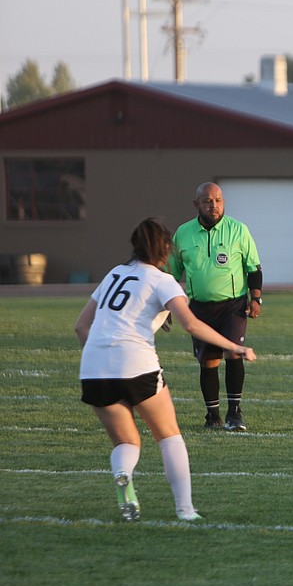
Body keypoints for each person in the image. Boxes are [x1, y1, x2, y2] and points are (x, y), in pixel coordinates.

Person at [75, 218, 257, 522]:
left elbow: (81, 326)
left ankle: (123, 472)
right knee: (169, 437)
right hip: (136, 363)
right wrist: (234, 346)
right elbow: (192, 324)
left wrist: (101, 356)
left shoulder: (114, 274)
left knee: (126, 441)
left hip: (93, 367)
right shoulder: (162, 280)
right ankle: (185, 510)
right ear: (165, 249)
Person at [167, 182, 263, 432]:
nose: (214, 205)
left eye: (218, 200)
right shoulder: (183, 233)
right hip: (199, 307)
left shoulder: (238, 230)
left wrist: (256, 298)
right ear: (196, 204)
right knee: (208, 361)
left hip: (233, 305)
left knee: (234, 353)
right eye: (208, 201)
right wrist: (164, 307)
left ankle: (235, 413)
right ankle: (213, 415)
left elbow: (253, 267)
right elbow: (170, 274)